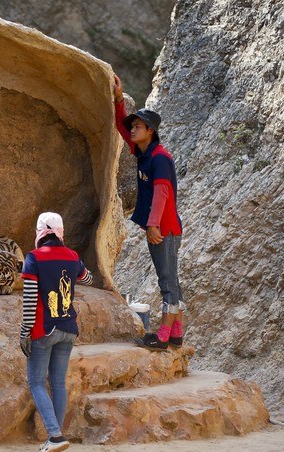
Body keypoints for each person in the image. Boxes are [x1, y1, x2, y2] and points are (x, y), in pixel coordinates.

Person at [112, 74, 185, 351]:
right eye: (134, 125)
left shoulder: (160, 158)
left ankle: (164, 336)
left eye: (139, 126)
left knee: (167, 282)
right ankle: (176, 332)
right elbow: (121, 127)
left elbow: (162, 194)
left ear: (150, 131)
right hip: (163, 227)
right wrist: (120, 98)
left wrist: (153, 225)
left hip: (164, 228)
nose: (132, 129)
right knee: (172, 280)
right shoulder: (144, 152)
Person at [19, 212, 93, 452]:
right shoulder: (72, 256)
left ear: (40, 232)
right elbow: (88, 278)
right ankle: (56, 437)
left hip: (44, 329)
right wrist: (73, 272)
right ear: (61, 232)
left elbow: (29, 299)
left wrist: (24, 331)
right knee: (58, 383)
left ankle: (55, 436)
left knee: (37, 382)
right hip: (68, 328)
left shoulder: (34, 258)